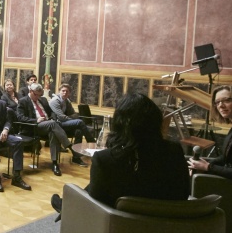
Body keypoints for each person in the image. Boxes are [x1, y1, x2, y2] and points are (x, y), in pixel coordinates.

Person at [51, 93, 191, 219]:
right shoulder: (174, 151)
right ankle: (66, 206)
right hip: (169, 228)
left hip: (118, 231)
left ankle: (67, 206)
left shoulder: (105, 159)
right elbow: (184, 193)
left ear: (120, 123)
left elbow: (94, 206)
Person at [16, 83, 73, 176]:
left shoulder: (42, 100)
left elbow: (52, 113)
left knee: (53, 132)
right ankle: (69, 145)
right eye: (36, 95)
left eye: (39, 95)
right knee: (53, 124)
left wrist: (52, 118)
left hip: (48, 125)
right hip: (33, 127)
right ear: (30, 91)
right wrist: (36, 120)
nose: (38, 97)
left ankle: (54, 163)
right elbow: (20, 117)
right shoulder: (23, 101)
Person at [49, 83, 95, 166]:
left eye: (67, 91)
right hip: (57, 125)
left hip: (64, 123)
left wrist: (69, 117)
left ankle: (76, 157)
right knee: (79, 122)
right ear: (59, 91)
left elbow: (75, 114)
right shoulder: (54, 101)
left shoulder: (67, 101)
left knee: (78, 131)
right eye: (63, 91)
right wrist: (72, 118)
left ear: (69, 93)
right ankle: (92, 143)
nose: (65, 93)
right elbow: (61, 117)